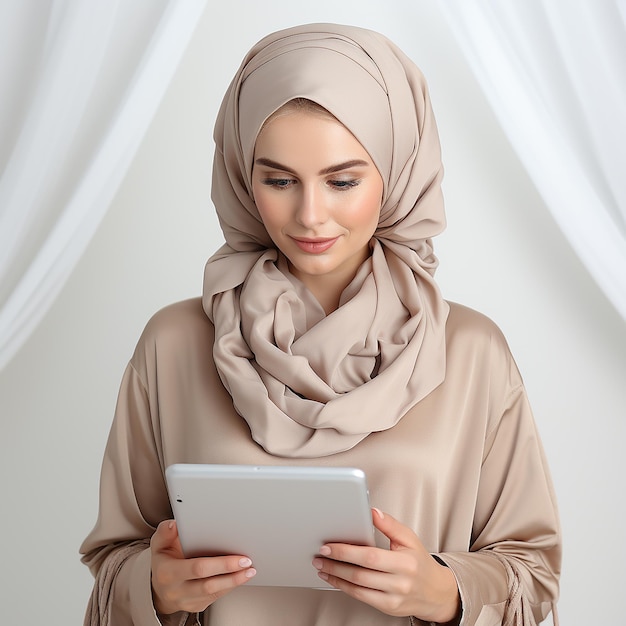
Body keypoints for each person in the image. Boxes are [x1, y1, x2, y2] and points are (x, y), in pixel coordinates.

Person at [80, 23, 561, 626]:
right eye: (278, 180)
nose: (309, 215)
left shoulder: (469, 351)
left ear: (397, 171)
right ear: (240, 175)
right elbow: (113, 560)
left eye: (343, 181)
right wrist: (155, 587)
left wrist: (445, 592)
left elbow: (533, 571)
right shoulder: (175, 344)